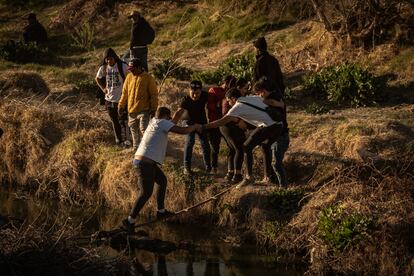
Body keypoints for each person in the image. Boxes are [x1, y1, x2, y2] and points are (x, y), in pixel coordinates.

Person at [122, 107, 199, 233]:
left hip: (147, 162)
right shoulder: (162, 123)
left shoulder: (154, 121)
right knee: (146, 192)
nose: (170, 120)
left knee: (162, 181)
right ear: (165, 116)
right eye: (169, 118)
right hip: (144, 163)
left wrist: (178, 113)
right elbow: (182, 130)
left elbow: (171, 123)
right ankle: (129, 220)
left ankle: (161, 211)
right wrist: (195, 126)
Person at [200, 89, 283, 187]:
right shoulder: (251, 97)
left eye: (229, 101)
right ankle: (267, 178)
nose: (229, 104)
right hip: (279, 125)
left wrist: (204, 126)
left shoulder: (237, 107)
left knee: (246, 146)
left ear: (233, 98)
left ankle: (249, 177)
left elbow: (222, 122)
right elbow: (265, 102)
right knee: (265, 147)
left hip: (268, 125)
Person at [255, 77, 289, 186]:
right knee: (271, 157)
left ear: (263, 91)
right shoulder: (275, 95)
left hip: (281, 136)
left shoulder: (274, 97)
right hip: (276, 135)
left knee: (276, 164)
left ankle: (283, 188)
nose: (259, 95)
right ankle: (272, 180)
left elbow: (274, 102)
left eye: (259, 93)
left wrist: (260, 100)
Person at [118, 58, 158, 150]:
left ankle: (148, 149)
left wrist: (153, 109)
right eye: (130, 69)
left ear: (139, 67)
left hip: (144, 109)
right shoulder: (129, 77)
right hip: (131, 110)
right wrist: (121, 105)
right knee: (133, 130)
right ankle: (136, 149)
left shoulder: (148, 78)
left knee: (143, 129)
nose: (131, 71)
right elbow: (125, 93)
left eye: (133, 69)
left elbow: (154, 94)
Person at [172, 80, 211, 175]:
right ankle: (187, 167)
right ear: (189, 90)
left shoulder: (205, 95)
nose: (194, 95)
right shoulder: (185, 100)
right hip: (189, 122)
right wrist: (170, 125)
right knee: (190, 141)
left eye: (197, 93)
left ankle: (208, 167)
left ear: (201, 91)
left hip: (201, 122)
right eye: (192, 93)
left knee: (205, 144)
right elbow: (179, 113)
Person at [96, 48, 130, 146]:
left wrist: (128, 91)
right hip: (108, 99)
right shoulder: (103, 68)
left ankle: (126, 141)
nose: (108, 61)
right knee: (114, 121)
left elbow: (131, 77)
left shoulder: (122, 66)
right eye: (106, 59)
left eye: (110, 58)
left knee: (123, 121)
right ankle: (118, 140)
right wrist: (103, 89)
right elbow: (97, 78)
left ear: (114, 57)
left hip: (121, 99)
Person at [206, 75, 236, 174]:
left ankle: (231, 169)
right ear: (226, 82)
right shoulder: (213, 90)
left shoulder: (232, 92)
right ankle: (213, 169)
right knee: (215, 147)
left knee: (231, 146)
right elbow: (211, 107)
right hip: (214, 123)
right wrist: (223, 101)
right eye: (230, 84)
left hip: (226, 123)